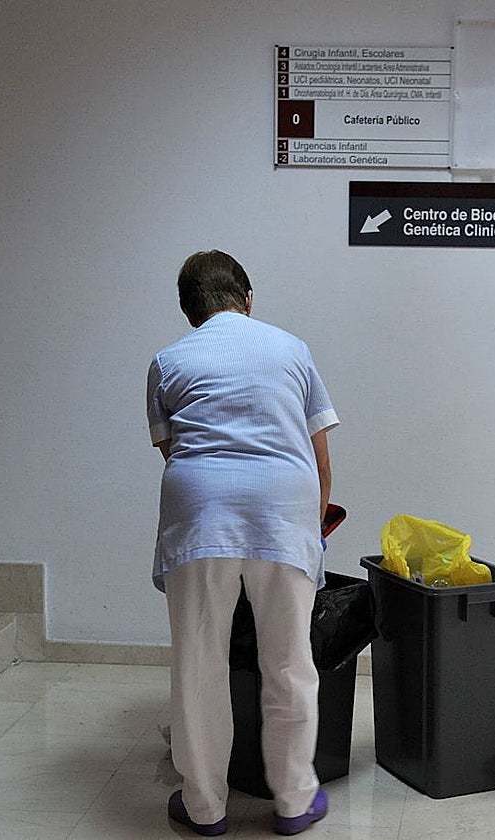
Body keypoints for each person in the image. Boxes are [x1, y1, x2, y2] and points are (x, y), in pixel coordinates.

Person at [147, 250, 337, 836]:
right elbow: (319, 454)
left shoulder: (166, 361)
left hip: (201, 511)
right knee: (289, 660)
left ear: (189, 311)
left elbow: (173, 450)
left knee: (199, 664)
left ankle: (204, 808)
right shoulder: (292, 349)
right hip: (283, 507)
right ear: (247, 298)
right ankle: (294, 800)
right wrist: (315, 524)